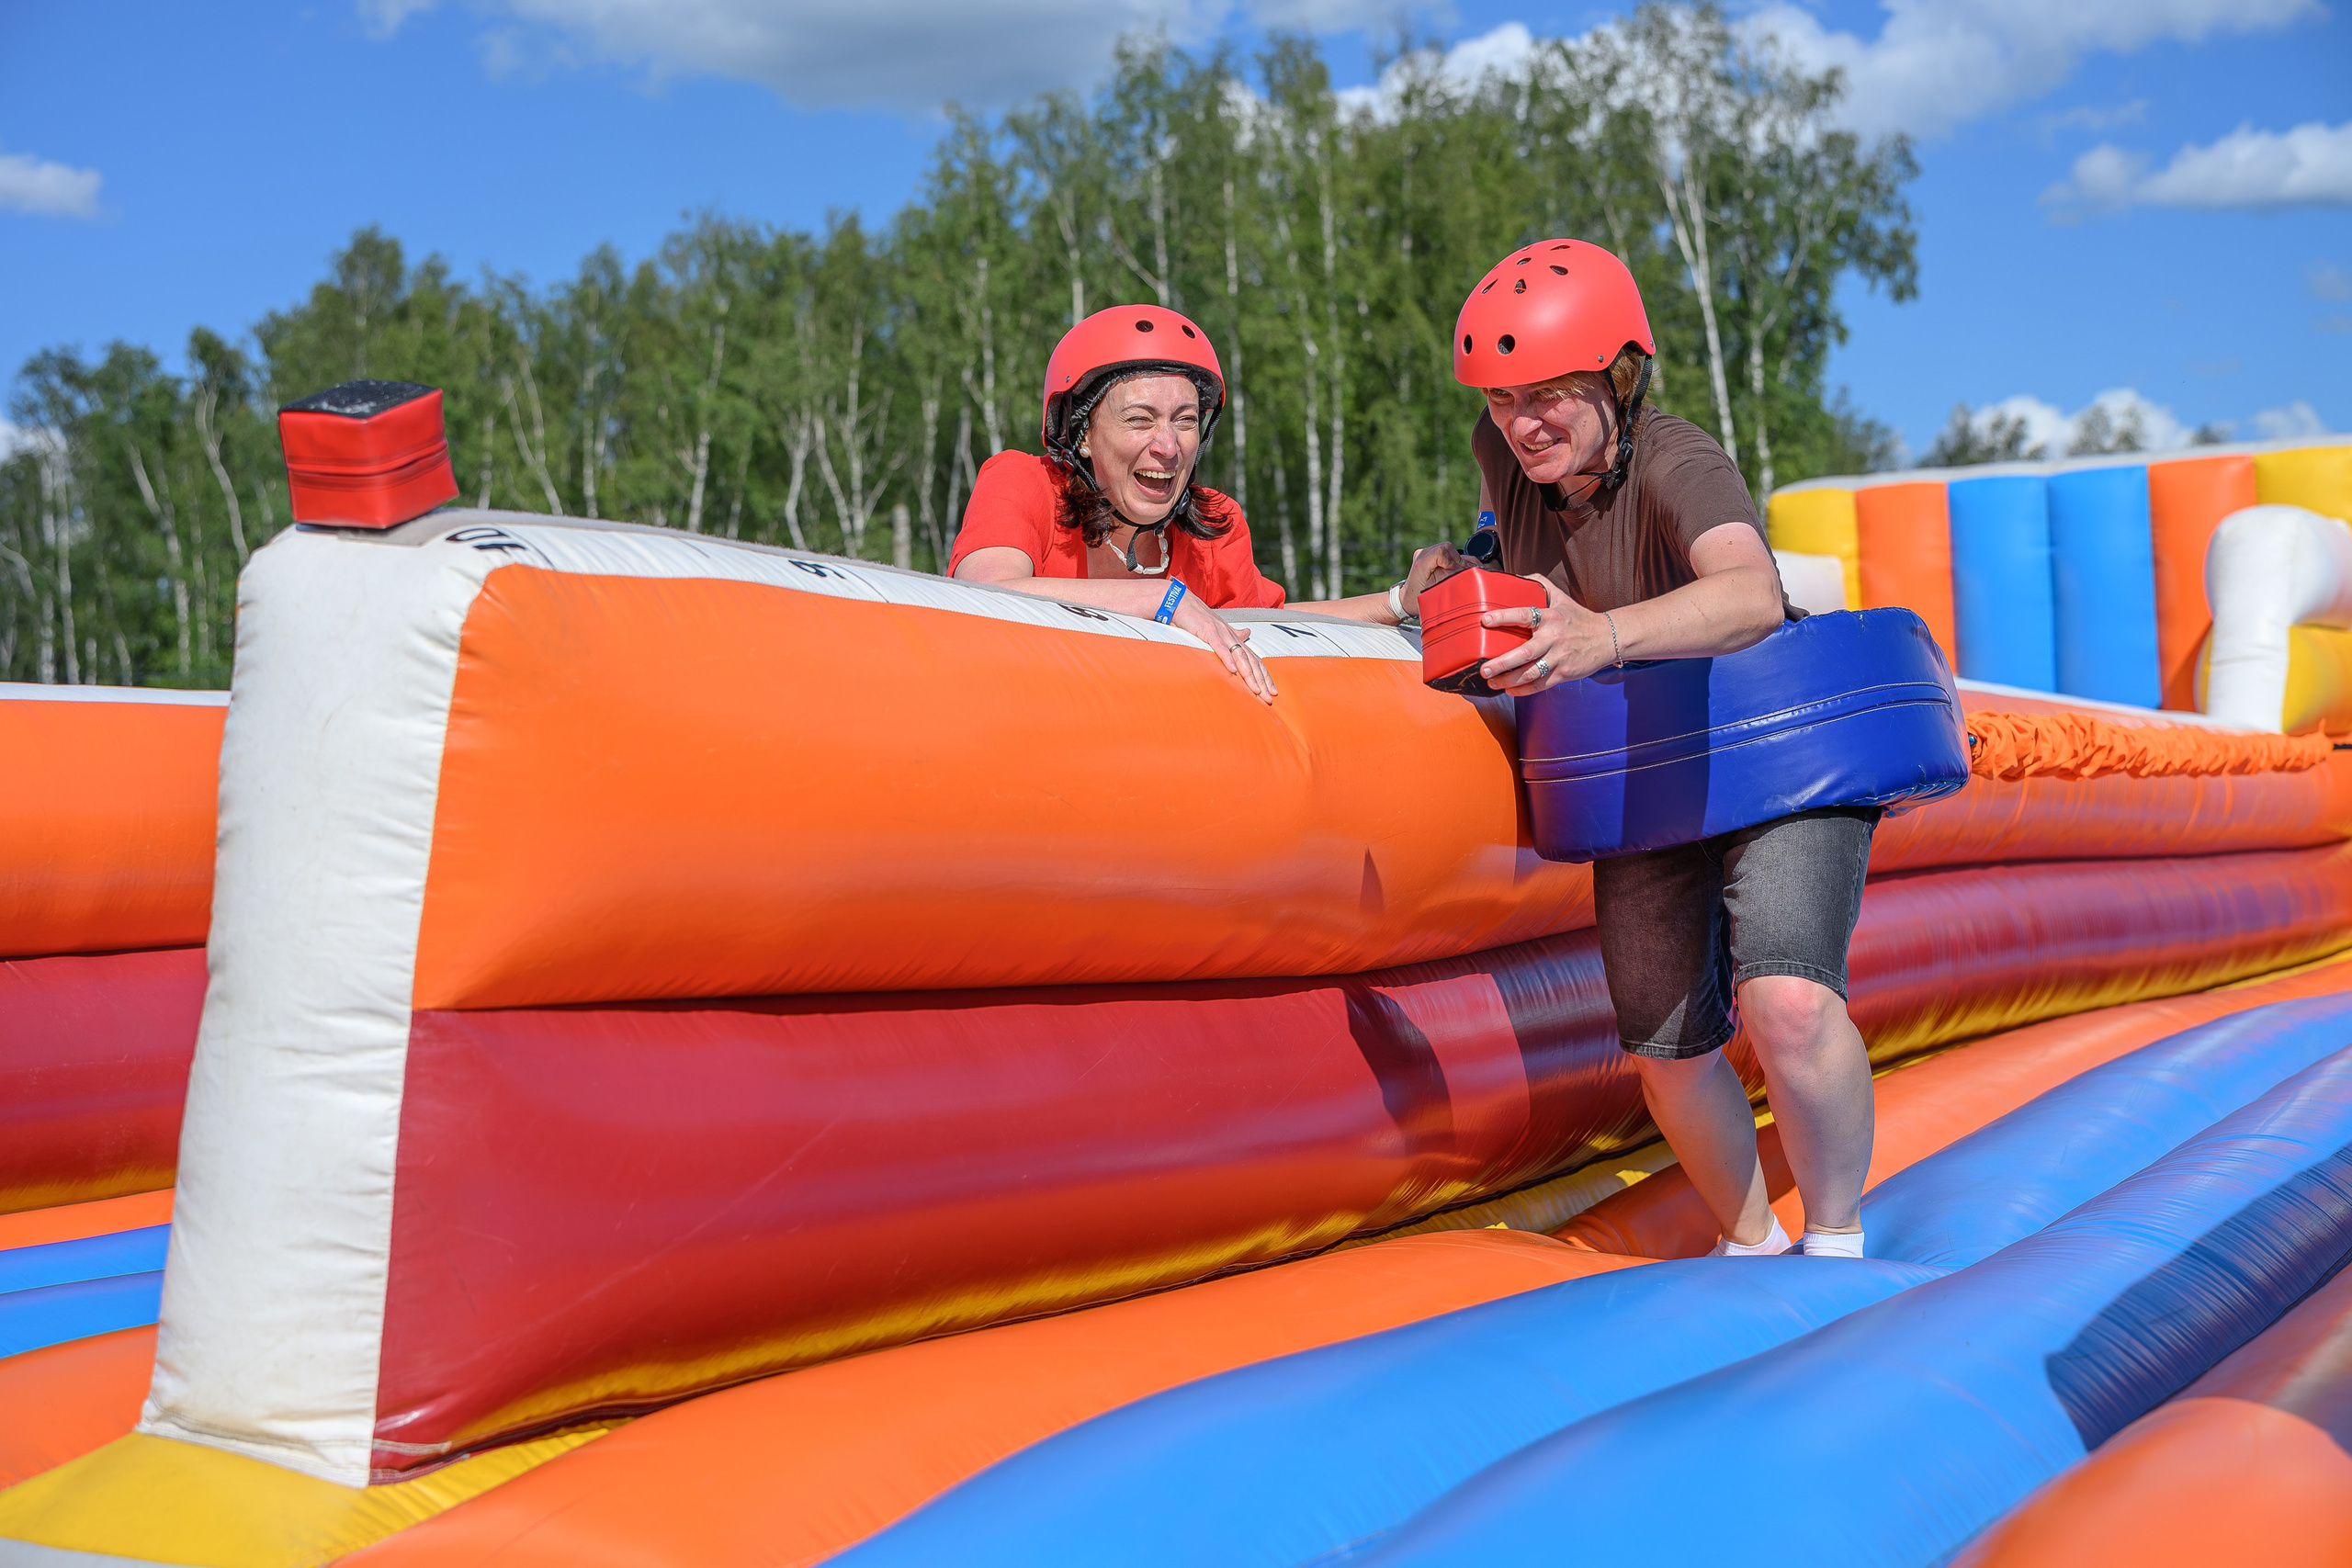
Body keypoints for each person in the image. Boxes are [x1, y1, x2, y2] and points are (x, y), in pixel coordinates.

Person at [1453, 239, 1875, 1259]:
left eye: (1551, 392)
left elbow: (1748, 592)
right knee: (1666, 1048)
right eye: (1505, 398)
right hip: (1647, 763)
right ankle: (1750, 1248)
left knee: (1786, 1003)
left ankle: (1835, 1243)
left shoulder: (1677, 458)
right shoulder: (1504, 455)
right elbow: (1496, 554)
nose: (1523, 422)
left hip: (1776, 755)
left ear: (1619, 378)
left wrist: (1600, 636)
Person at [951, 304, 1454, 705]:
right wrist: (1158, 600)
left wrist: (1399, 603)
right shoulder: (1022, 481)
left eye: (1185, 420)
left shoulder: (1215, 524)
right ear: (1081, 435)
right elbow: (984, 593)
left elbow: (1273, 623)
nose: (1168, 447)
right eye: (1139, 420)